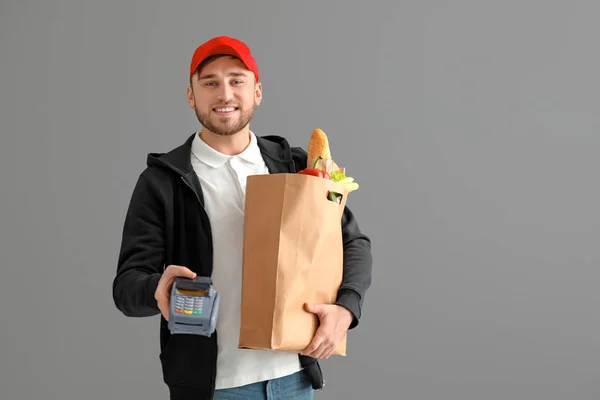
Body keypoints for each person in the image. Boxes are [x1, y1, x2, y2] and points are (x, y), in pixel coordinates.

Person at [112, 35, 373, 400]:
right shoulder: (164, 181)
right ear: (191, 96)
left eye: (237, 80)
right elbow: (126, 286)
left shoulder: (296, 166)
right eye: (210, 83)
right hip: (215, 388)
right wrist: (158, 288)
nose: (225, 94)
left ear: (257, 92)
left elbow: (353, 243)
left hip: (294, 379)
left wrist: (346, 309)